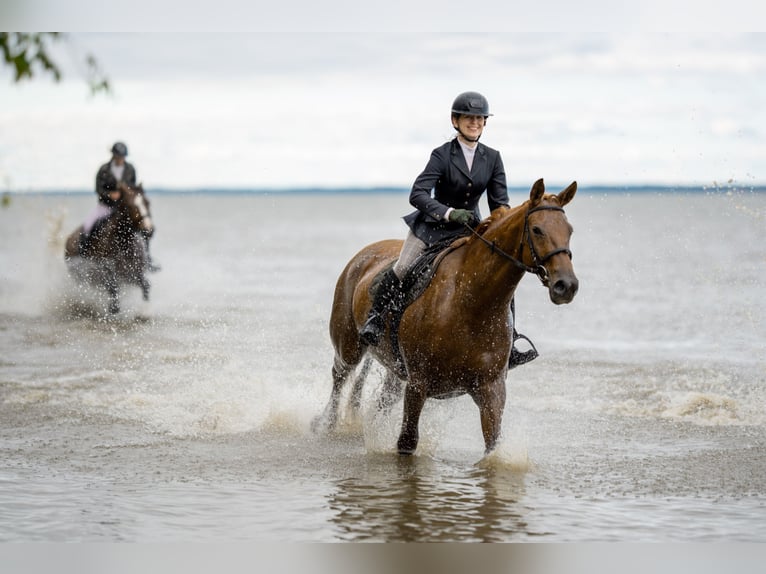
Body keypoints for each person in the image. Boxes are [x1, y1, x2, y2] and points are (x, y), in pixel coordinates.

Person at [359, 91, 537, 369]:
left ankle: (510, 340)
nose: (474, 123)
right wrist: (449, 212)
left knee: (501, 278)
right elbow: (417, 194)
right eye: (469, 118)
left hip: (469, 231)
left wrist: (501, 224)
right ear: (456, 121)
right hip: (431, 228)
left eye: (479, 118)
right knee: (403, 268)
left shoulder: (493, 158)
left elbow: (499, 203)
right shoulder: (442, 155)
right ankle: (375, 320)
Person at [83, 141, 159, 270]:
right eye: (119, 156)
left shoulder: (130, 169)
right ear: (113, 156)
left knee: (144, 226)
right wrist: (110, 195)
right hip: (105, 206)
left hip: (124, 208)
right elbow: (98, 189)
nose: (121, 159)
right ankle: (84, 255)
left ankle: (147, 258)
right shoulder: (104, 169)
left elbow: (132, 188)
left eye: (123, 157)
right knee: (87, 226)